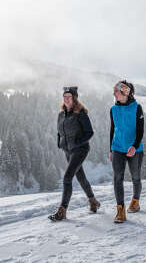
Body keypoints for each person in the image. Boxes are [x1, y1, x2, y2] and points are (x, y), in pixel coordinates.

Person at [48, 86, 100, 221]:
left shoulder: (81, 113)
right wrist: (60, 142)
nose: (66, 99)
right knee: (81, 177)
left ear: (74, 98)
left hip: (80, 149)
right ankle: (93, 201)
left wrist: (77, 142)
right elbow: (60, 131)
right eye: (64, 97)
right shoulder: (61, 114)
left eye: (69, 97)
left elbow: (90, 132)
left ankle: (62, 210)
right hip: (68, 150)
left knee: (67, 178)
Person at [109, 80, 144, 223]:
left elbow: (141, 130)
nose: (114, 94)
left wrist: (134, 146)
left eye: (116, 91)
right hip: (117, 148)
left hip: (134, 149)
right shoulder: (113, 109)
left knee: (135, 177)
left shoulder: (137, 108)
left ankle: (135, 201)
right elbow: (112, 130)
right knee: (117, 178)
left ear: (125, 92)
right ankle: (120, 210)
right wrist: (111, 149)